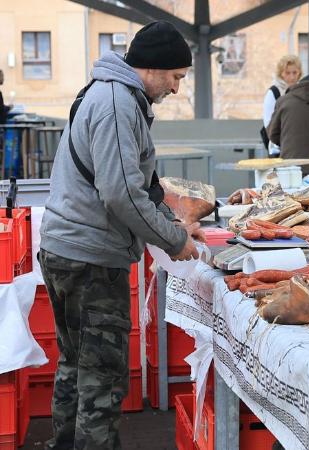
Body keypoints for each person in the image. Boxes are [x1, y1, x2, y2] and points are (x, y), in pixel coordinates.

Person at [38, 21, 202, 449]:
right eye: (176, 77)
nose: (176, 89)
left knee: (75, 366)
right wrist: (174, 239)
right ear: (154, 67)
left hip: (67, 249)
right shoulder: (116, 102)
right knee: (102, 379)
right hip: (91, 258)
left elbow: (134, 184)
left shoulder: (110, 94)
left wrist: (169, 221)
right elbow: (121, 194)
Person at [260, 55, 302, 156]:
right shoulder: (273, 92)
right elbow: (268, 124)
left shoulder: (302, 91)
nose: (292, 77)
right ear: (281, 74)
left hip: (299, 146)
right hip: (278, 148)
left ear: (299, 73)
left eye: (294, 73)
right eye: (287, 73)